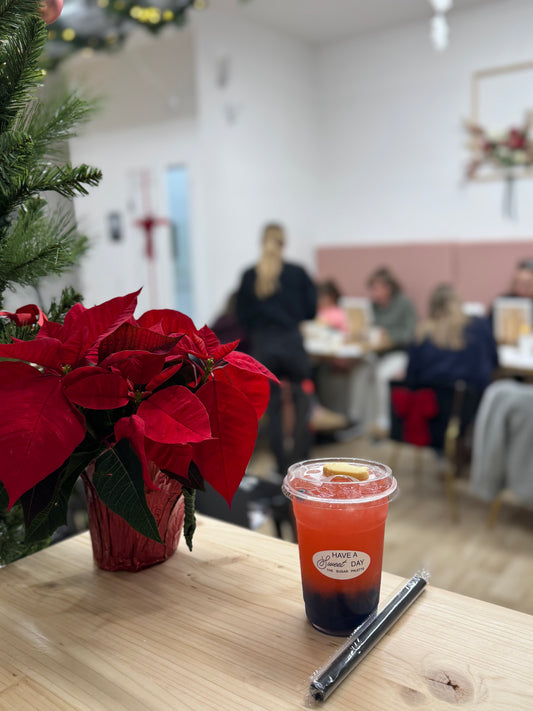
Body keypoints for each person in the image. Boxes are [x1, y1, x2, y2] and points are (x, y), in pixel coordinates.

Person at [236, 223, 317, 476]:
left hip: (264, 346)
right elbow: (311, 311)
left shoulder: (249, 275)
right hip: (292, 344)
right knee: (302, 400)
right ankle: (300, 462)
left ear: (262, 242)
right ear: (284, 243)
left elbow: (241, 316)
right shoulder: (298, 273)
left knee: (272, 407)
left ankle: (281, 466)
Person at [358, 267, 417, 436]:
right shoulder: (371, 307)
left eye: (377, 288)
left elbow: (411, 333)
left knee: (382, 374)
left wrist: (388, 335)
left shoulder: (404, 304)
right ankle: (362, 419)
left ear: (388, 288)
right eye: (372, 289)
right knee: (360, 369)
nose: (374, 293)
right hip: (377, 353)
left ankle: (384, 420)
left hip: (399, 353)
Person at [406, 284, 498, 392]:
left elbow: (412, 378)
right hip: (475, 397)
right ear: (459, 302)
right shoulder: (480, 326)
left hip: (433, 399)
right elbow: (494, 361)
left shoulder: (421, 334)